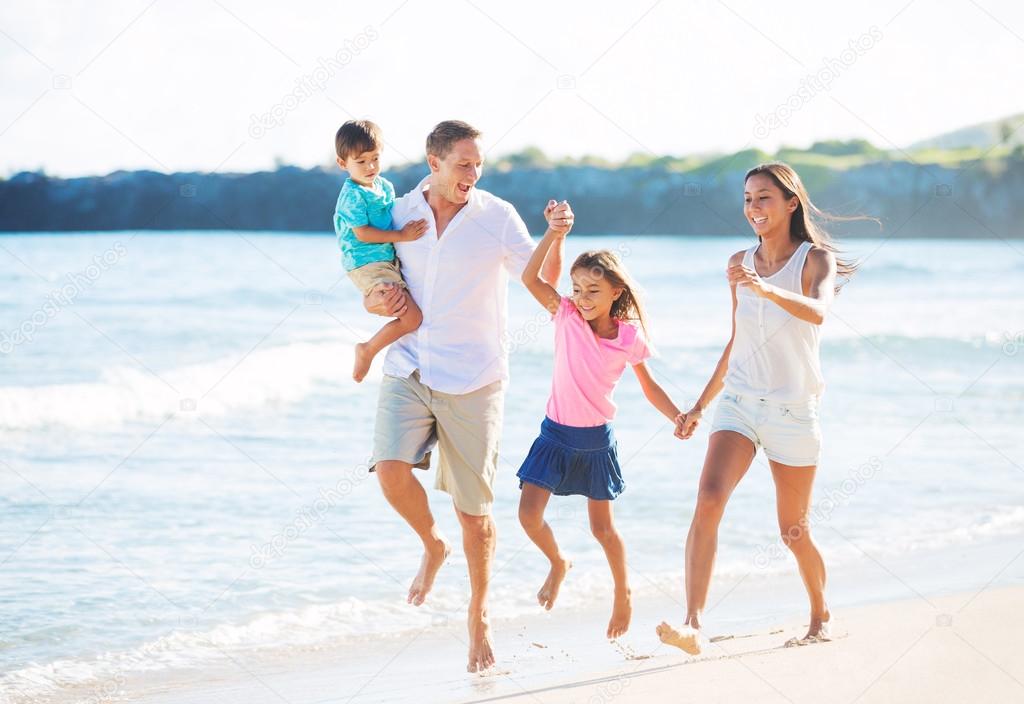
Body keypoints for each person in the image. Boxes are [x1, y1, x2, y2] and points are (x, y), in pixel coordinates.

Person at [362, 120, 573, 672]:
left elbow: (538, 279)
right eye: (463, 164)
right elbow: (372, 274)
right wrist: (374, 302)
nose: (472, 174)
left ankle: (478, 615)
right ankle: (432, 546)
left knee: (474, 515)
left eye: (478, 164)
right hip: (408, 363)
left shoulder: (496, 216)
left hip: (474, 377)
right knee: (389, 471)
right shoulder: (400, 211)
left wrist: (557, 235)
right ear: (434, 164)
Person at [657, 162, 861, 654]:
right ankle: (693, 623)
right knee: (708, 497)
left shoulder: (815, 260)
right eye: (748, 199)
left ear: (792, 203)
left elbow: (818, 312)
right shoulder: (739, 261)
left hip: (794, 409)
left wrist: (764, 286)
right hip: (740, 402)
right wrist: (700, 405)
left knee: (793, 530)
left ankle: (820, 612)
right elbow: (737, 341)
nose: (754, 208)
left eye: (764, 198)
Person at [517, 229, 688, 640]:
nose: (582, 297)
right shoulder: (565, 316)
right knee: (528, 515)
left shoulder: (629, 337)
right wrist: (554, 235)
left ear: (616, 291)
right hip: (554, 435)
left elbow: (649, 386)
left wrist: (677, 416)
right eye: (577, 288)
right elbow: (529, 278)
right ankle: (558, 562)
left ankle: (623, 592)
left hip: (595, 443)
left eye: (593, 289)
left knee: (602, 530)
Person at [332, 119, 428, 382]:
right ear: (343, 164)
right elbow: (362, 233)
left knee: (412, 313)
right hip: (365, 263)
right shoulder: (352, 194)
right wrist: (402, 236)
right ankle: (368, 350)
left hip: (386, 260)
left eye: (375, 158)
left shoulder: (384, 187)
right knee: (412, 318)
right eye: (361, 161)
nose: (370, 166)